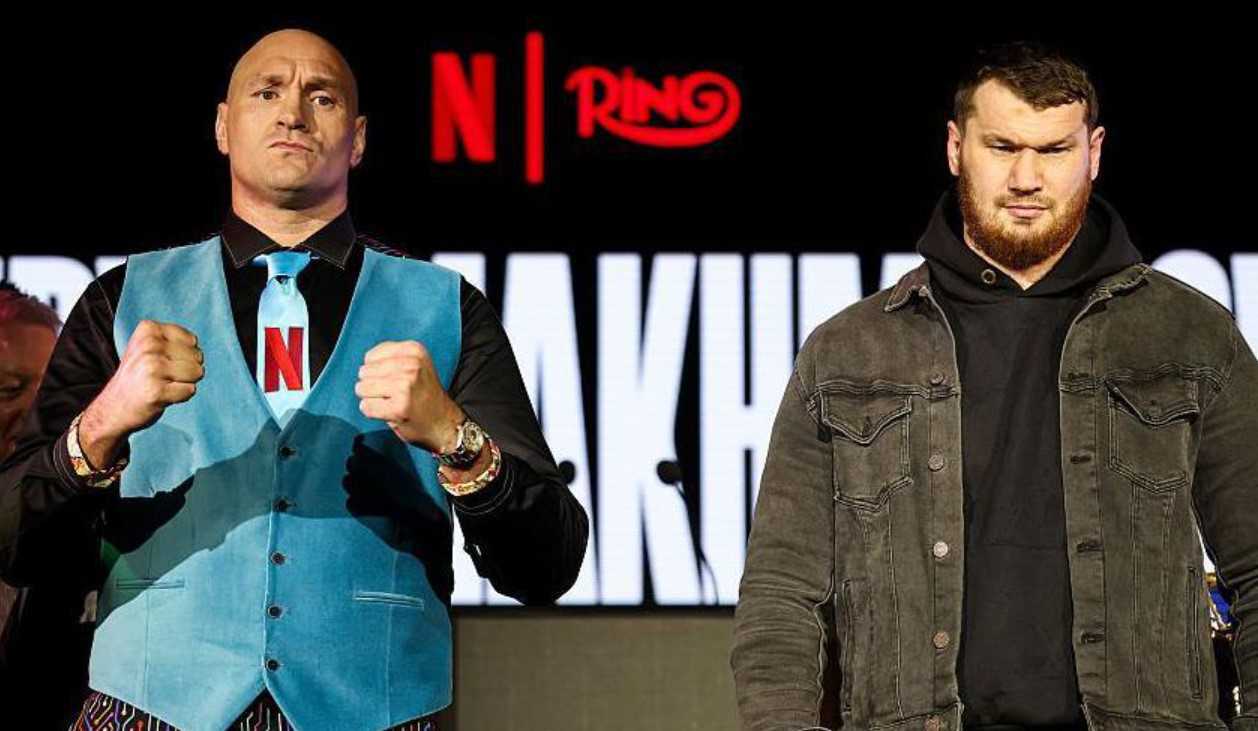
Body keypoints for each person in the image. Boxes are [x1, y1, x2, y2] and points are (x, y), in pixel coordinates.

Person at [0, 28, 588, 731]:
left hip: (374, 711)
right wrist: (99, 427)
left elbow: (548, 566)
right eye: (268, 91)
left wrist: (457, 439)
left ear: (358, 139)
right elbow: (13, 543)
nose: (293, 113)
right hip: (152, 707)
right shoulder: (120, 302)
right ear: (223, 127)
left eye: (322, 97)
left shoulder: (446, 309)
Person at [731, 41, 1258, 731]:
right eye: (1002, 146)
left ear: (1094, 153)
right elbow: (780, 592)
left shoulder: (1191, 336)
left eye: (1054, 150)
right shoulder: (849, 353)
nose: (1026, 177)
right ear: (956, 148)